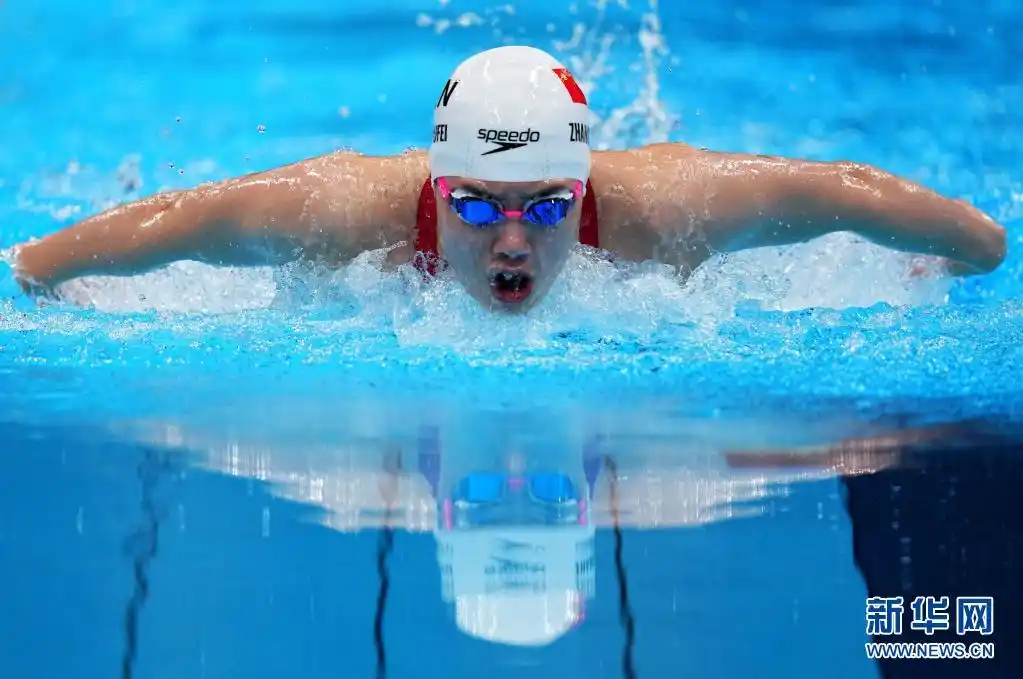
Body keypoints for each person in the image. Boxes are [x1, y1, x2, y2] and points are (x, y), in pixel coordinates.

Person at [10, 45, 1007, 312]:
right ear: (437, 190)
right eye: (478, 205)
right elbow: (192, 216)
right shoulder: (351, 213)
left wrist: (975, 249)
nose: (514, 239)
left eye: (547, 206)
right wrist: (40, 268)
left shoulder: (665, 207)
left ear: (585, 190)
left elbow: (838, 187)